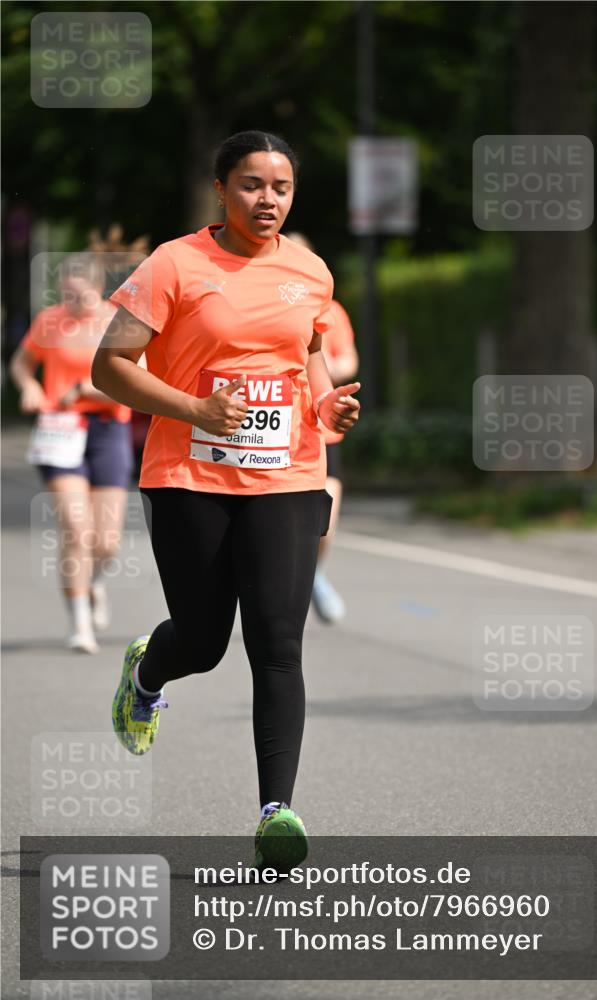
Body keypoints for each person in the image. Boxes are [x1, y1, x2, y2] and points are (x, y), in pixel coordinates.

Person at [92, 130, 361, 871]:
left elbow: (307, 352)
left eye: (279, 187)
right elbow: (109, 367)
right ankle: (148, 672)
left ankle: (276, 811)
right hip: (188, 476)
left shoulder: (309, 271)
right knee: (205, 642)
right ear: (220, 188)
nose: (266, 199)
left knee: (278, 643)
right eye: (250, 184)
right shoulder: (175, 263)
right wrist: (193, 409)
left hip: (288, 475)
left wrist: (324, 405)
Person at [10, 253, 134, 653]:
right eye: (65, 293)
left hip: (108, 429)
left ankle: (95, 581)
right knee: (77, 531)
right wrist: (28, 386)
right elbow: (21, 364)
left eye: (78, 295)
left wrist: (85, 390)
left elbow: (138, 378)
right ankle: (80, 622)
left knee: (107, 541)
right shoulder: (50, 320)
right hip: (60, 431)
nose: (71, 302)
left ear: (98, 289)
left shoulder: (120, 320)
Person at [286, 233, 359, 624]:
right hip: (279, 434)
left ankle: (315, 576)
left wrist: (322, 374)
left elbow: (347, 359)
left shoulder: (330, 309)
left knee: (324, 521)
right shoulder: (259, 305)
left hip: (322, 431)